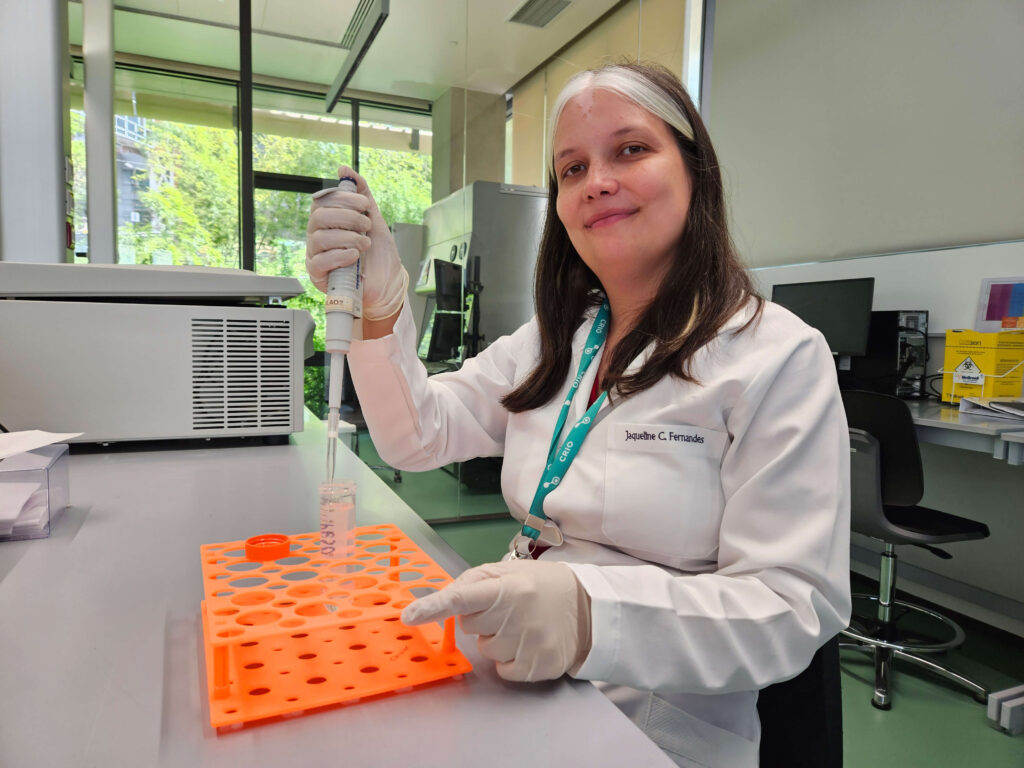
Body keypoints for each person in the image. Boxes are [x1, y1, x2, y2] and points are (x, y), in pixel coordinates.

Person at [305, 62, 850, 768]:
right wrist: (381, 312)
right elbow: (419, 434)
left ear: (695, 170)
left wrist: (590, 613)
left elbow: (789, 605)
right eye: (571, 169)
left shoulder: (775, 356)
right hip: (516, 679)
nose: (595, 182)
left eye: (630, 150)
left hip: (661, 725)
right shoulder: (557, 337)